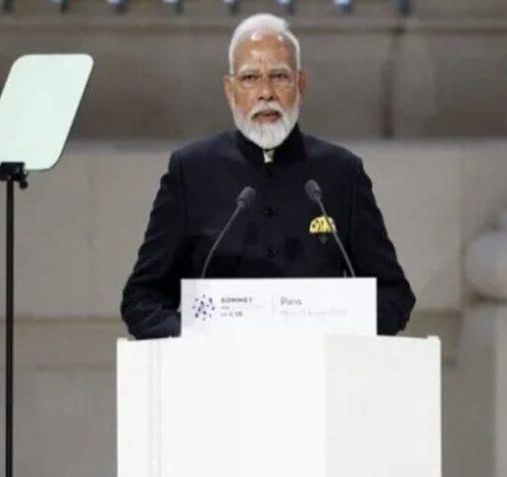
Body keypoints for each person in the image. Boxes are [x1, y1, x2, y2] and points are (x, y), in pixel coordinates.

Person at [121, 13, 415, 339]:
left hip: (318, 366)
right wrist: (196, 340)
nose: (265, 92)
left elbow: (394, 296)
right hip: (216, 366)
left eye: (279, 76)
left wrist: (336, 331)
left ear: (301, 85)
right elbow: (141, 300)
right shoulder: (190, 172)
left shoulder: (342, 173)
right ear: (230, 90)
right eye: (250, 78)